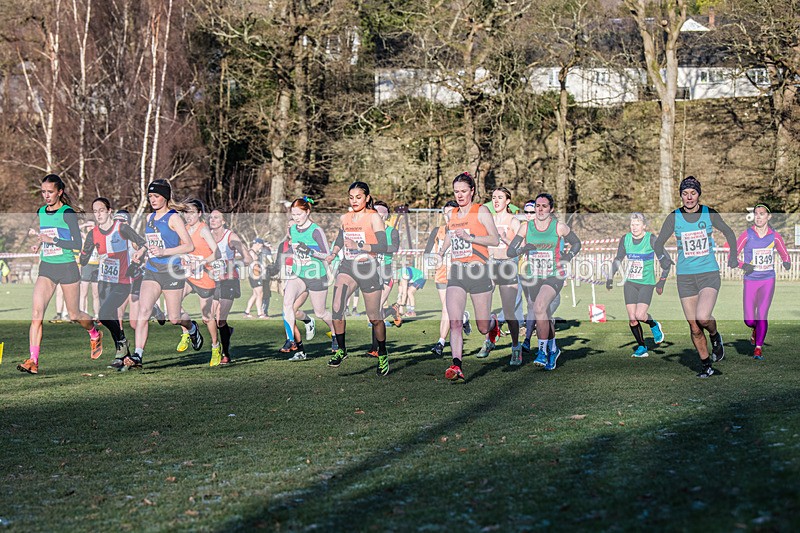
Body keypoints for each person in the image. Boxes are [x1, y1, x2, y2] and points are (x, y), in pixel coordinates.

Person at [653, 176, 739, 378]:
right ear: (681, 196)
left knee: (703, 317)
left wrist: (733, 256)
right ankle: (706, 365)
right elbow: (658, 244)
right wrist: (664, 260)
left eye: (693, 193)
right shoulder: (674, 217)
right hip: (685, 277)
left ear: (698, 194)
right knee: (693, 325)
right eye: (685, 193)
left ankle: (715, 336)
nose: (689, 197)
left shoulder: (709, 213)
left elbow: (729, 233)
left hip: (708, 273)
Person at [17, 174, 104, 375]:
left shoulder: (67, 213)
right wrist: (39, 242)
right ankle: (33, 360)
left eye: (50, 192)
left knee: (74, 314)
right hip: (47, 267)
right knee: (36, 314)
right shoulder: (41, 211)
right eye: (43, 192)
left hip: (67, 267)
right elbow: (47, 233)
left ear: (59, 192)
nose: (46, 196)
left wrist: (52, 240)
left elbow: (77, 244)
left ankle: (93, 332)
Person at [126, 179, 203, 371]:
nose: (152, 200)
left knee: (175, 318)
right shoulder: (150, 218)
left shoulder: (173, 217)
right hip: (152, 270)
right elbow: (150, 242)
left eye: (156, 196)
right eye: (150, 196)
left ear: (165, 197)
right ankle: (138, 355)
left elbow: (189, 245)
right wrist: (141, 251)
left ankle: (192, 328)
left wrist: (164, 252)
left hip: (172, 272)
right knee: (144, 311)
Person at [507, 193, 581, 371]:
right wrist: (524, 248)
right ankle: (553, 349)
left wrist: (568, 256)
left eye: (544, 206)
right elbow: (510, 251)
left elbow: (577, 243)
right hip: (534, 277)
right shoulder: (526, 227)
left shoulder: (559, 227)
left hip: (554, 274)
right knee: (544, 315)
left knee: (539, 306)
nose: (540, 209)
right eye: (537, 206)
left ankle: (541, 351)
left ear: (551, 209)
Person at [438, 172, 500, 382]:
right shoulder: (453, 214)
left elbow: (494, 239)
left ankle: (493, 325)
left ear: (472, 191)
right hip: (457, 271)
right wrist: (439, 253)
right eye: (456, 192)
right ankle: (456, 365)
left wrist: (471, 237)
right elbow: (449, 235)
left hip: (478, 271)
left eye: (464, 191)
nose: (460, 195)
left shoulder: (480, 211)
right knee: (455, 321)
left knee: (482, 326)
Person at [326, 181, 390, 376]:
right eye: (351, 197)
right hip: (348, 267)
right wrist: (333, 253)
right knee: (336, 307)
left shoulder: (374, 217)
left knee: (374, 318)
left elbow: (383, 246)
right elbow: (340, 238)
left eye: (358, 197)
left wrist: (359, 246)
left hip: (368, 267)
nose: (354, 201)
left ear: (367, 198)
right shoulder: (345, 217)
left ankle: (382, 354)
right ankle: (341, 350)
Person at [79, 198, 148, 369]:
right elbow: (84, 257)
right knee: (109, 317)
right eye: (95, 211)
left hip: (122, 282)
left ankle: (122, 343)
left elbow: (142, 243)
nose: (98, 214)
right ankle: (121, 354)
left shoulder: (121, 227)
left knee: (104, 314)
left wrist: (139, 254)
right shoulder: (93, 233)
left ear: (109, 211)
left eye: (101, 210)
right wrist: (81, 252)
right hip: (104, 282)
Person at [606, 213, 671, 358]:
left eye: (637, 224)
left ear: (644, 226)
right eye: (632, 225)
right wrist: (610, 277)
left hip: (646, 283)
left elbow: (666, 261)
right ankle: (642, 347)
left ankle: (653, 324)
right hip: (630, 283)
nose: (634, 227)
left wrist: (661, 281)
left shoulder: (651, 239)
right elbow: (618, 258)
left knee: (640, 315)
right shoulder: (626, 239)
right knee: (632, 318)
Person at [280, 197, 335, 361]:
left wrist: (310, 251)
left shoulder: (316, 231)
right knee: (287, 304)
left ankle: (336, 333)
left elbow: (327, 255)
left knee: (320, 312)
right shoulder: (293, 229)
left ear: (307, 212)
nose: (296, 218)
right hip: (298, 274)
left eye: (299, 214)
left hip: (316, 274)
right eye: (293, 214)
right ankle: (292, 341)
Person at [735, 203, 791, 360]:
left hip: (768, 280)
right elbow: (733, 256)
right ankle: (755, 329)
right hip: (751, 280)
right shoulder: (747, 234)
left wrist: (786, 262)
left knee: (762, 315)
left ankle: (758, 348)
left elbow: (784, 253)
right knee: (749, 319)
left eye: (762, 214)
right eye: (756, 214)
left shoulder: (774, 236)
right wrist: (744, 265)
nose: (758, 217)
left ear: (769, 216)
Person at [478, 187, 523, 364]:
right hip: (490, 264)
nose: (496, 201)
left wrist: (505, 238)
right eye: (494, 197)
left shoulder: (514, 221)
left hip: (507, 265)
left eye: (500, 197)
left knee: (509, 311)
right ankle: (490, 337)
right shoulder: (489, 220)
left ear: (508, 201)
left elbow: (521, 248)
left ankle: (515, 347)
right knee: (484, 307)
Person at [424, 201, 472, 357]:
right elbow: (427, 251)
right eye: (446, 213)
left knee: (447, 307)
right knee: (446, 307)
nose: (448, 215)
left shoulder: (463, 229)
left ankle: (440, 342)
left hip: (458, 273)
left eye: (452, 212)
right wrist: (432, 260)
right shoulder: (438, 231)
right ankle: (463, 317)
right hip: (442, 273)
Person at [177, 199, 222, 366]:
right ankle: (188, 332)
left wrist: (202, 262)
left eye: (191, 213)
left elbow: (217, 253)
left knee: (206, 317)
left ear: (199, 214)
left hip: (204, 277)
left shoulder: (203, 230)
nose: (188, 216)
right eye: (186, 212)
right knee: (174, 304)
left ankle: (215, 347)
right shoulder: (185, 229)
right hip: (189, 276)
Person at [208, 208, 252, 365]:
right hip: (212, 281)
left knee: (220, 319)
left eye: (216, 218)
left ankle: (225, 353)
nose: (212, 220)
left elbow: (248, 258)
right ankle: (222, 336)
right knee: (209, 317)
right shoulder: (207, 236)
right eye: (211, 217)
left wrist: (230, 263)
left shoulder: (231, 237)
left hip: (229, 280)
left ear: (223, 221)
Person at [368, 201, 399, 357]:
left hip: (385, 273)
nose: (379, 214)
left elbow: (395, 247)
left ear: (387, 215)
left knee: (376, 311)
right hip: (371, 274)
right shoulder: (369, 231)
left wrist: (378, 247)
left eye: (383, 212)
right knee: (373, 312)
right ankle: (392, 310)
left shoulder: (392, 231)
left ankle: (376, 348)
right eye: (377, 211)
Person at [79, 219, 100, 320]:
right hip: (86, 266)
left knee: (96, 293)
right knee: (84, 292)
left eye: (92, 226)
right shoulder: (83, 238)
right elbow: (75, 230)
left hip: (97, 266)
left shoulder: (99, 236)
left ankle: (97, 315)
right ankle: (83, 313)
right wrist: (85, 224)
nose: (90, 228)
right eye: (89, 226)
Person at [243, 238, 269, 319]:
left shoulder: (252, 252)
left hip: (255, 275)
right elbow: (252, 266)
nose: (261, 247)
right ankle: (260, 313)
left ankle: (247, 312)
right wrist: (262, 270)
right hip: (255, 276)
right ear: (257, 244)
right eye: (261, 245)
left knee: (255, 295)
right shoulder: (251, 252)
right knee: (260, 294)